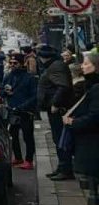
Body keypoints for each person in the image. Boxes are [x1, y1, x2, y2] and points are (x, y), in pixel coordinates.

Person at [64, 51, 99, 205]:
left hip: (93, 138)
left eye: (86, 64)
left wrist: (74, 122)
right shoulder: (91, 85)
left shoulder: (96, 88)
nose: (82, 66)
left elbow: (95, 115)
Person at [40, 45, 77, 181]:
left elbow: (63, 86)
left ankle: (66, 169)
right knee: (58, 139)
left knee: (61, 139)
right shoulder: (54, 66)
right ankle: (62, 167)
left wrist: (55, 103)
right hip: (54, 109)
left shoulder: (56, 66)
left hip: (58, 110)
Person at [3, 53, 37, 170]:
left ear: (21, 64)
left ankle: (29, 160)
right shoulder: (8, 76)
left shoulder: (29, 78)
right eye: (11, 63)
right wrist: (5, 93)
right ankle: (18, 157)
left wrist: (22, 107)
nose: (12, 65)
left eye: (15, 63)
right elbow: (2, 90)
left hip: (25, 112)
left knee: (27, 136)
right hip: (12, 111)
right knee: (13, 135)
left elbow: (34, 96)